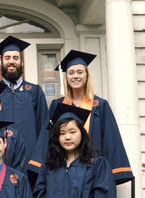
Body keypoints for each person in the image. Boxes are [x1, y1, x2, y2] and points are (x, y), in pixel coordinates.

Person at [50, 49, 133, 184]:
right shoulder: (57, 105)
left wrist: (113, 172)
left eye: (80, 72)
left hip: (94, 171)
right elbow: (50, 140)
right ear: (66, 78)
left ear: (87, 75)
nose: (75, 76)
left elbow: (111, 139)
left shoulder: (100, 105)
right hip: (64, 171)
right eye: (71, 73)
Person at [0, 35, 49, 186]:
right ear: (1, 62)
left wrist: (37, 160)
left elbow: (45, 127)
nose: (11, 61)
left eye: (16, 58)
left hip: (31, 164)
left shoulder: (34, 91)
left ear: (21, 62)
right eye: (7, 57)